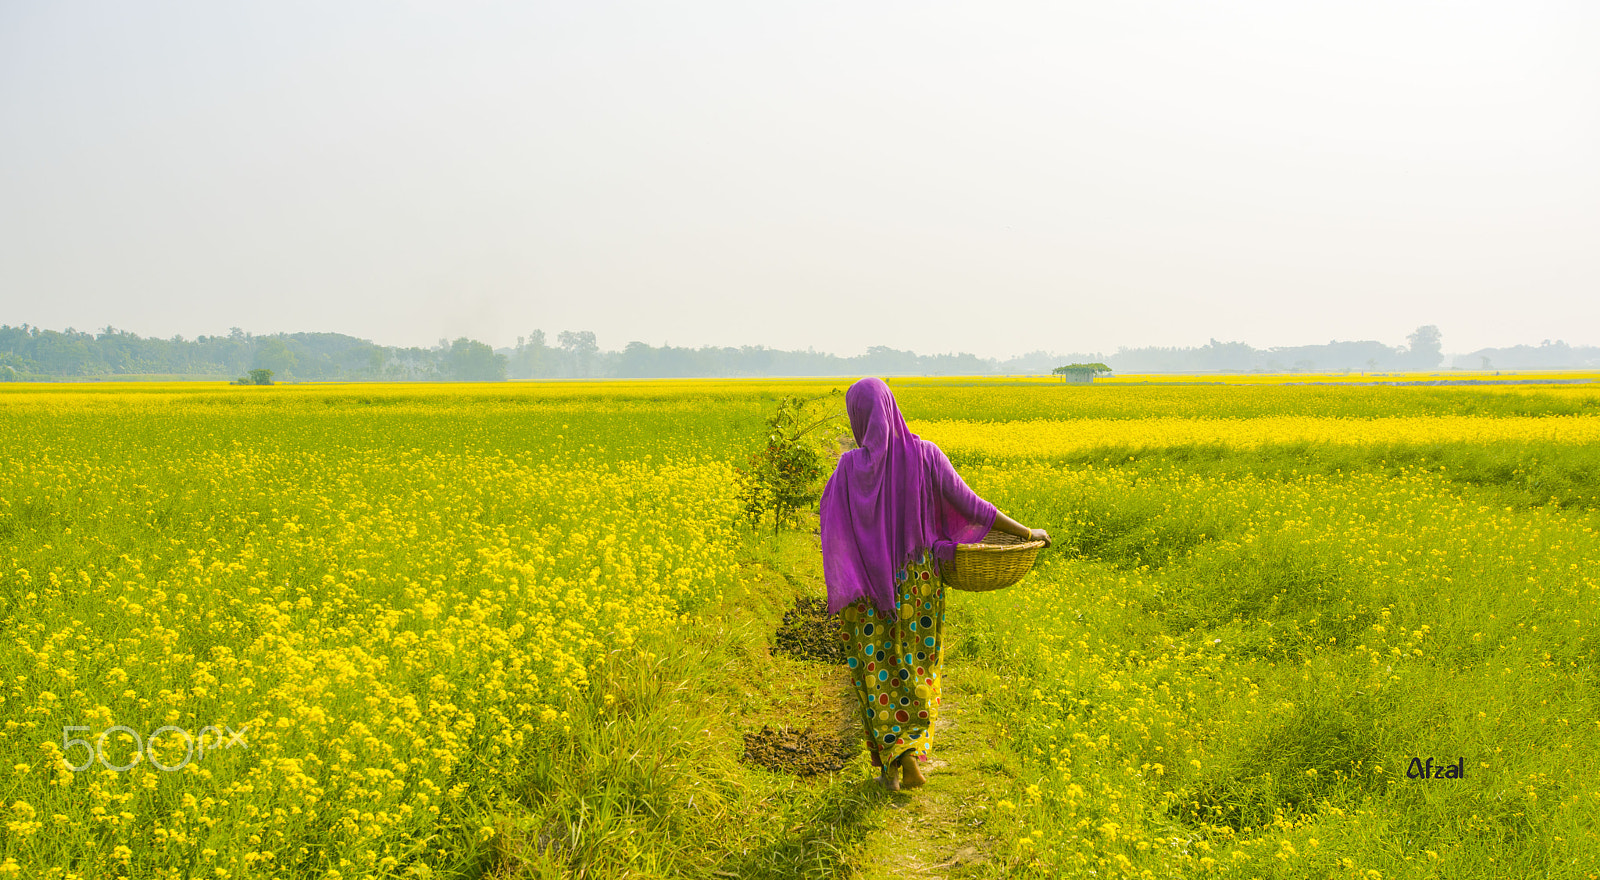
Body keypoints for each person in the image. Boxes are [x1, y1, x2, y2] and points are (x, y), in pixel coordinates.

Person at [818, 377, 1049, 792]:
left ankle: (894, 759)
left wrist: (853, 567)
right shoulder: (926, 455)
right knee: (916, 665)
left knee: (877, 670)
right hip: (918, 583)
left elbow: (832, 527)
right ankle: (910, 750)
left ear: (860, 417)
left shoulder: (848, 469)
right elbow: (973, 505)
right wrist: (1025, 531)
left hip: (867, 590)